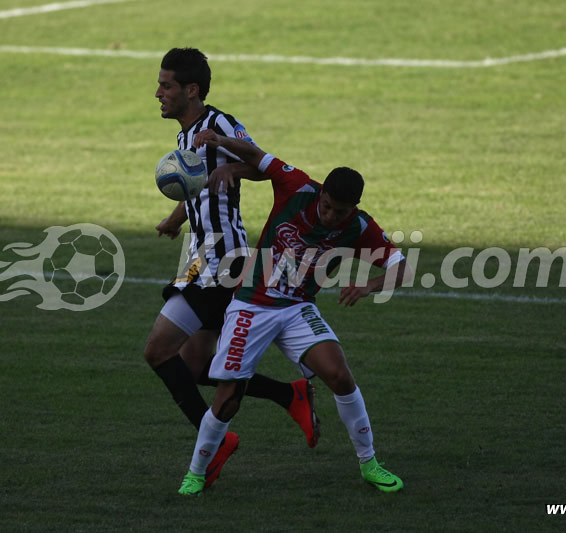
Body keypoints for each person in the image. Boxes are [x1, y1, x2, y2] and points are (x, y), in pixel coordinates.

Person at [176, 128, 414, 495]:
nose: (332, 216)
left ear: (354, 209)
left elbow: (403, 267)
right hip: (252, 304)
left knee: (339, 375)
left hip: (297, 308)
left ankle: (370, 464)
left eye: (341, 212)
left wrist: (368, 287)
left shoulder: (360, 226)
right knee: (228, 399)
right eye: (328, 206)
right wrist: (222, 142)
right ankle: (195, 472)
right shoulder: (296, 186)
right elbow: (258, 156)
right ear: (321, 194)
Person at [145, 48, 320, 490]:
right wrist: (175, 218)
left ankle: (215, 440)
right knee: (200, 367)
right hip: (198, 259)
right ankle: (289, 394)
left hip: (225, 259)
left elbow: (264, 164)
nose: (158, 93)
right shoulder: (185, 139)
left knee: (159, 351)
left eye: (166, 86)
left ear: (192, 90)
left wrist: (233, 165)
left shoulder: (218, 123)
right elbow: (196, 186)